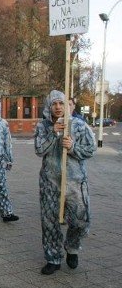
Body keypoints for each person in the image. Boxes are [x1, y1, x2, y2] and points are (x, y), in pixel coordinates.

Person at [34, 90, 96, 275]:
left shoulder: (78, 125)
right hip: (50, 182)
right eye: (54, 104)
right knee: (50, 222)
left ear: (67, 105)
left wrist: (73, 147)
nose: (58, 107)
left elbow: (91, 148)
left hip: (75, 181)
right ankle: (53, 258)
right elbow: (38, 149)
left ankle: (72, 247)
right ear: (49, 106)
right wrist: (53, 134)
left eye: (61, 103)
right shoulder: (43, 126)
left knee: (81, 220)